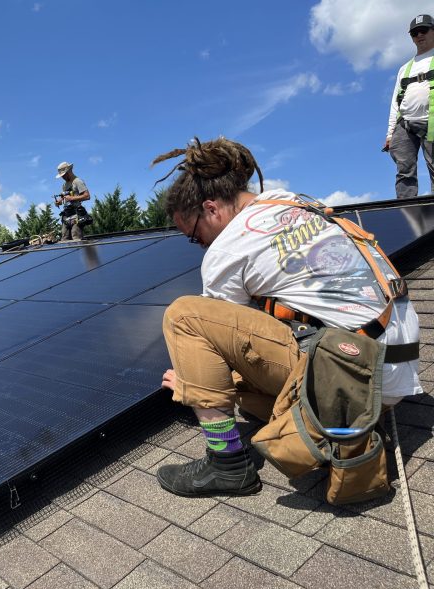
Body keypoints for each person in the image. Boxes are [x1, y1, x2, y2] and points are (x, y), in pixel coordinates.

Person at [153, 137, 421, 498]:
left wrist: (193, 382)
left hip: (353, 375)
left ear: (211, 208)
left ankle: (227, 462)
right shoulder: (293, 201)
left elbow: (220, 336)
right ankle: (343, 426)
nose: (198, 244)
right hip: (393, 376)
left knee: (185, 317)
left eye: (194, 235)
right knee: (233, 387)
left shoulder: (229, 247)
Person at [385, 14, 434, 198]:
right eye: (414, 33)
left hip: (432, 121)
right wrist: (390, 133)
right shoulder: (404, 68)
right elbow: (395, 102)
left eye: (424, 30)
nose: (419, 35)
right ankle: (406, 213)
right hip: (405, 124)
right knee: (404, 171)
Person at [55, 161, 91, 241]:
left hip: (76, 215)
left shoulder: (77, 181)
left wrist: (72, 198)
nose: (62, 177)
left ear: (69, 171)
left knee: (76, 238)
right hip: (66, 216)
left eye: (63, 175)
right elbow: (65, 198)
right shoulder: (64, 185)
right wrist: (59, 202)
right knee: (64, 239)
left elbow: (87, 196)